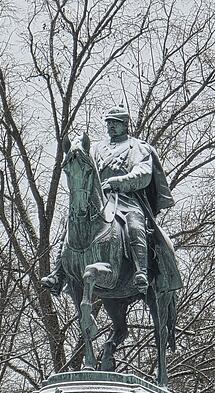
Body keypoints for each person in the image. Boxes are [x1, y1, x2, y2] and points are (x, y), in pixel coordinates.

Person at [42, 105, 182, 295]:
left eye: (116, 123)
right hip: (99, 202)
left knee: (135, 225)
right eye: (109, 122)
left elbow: (143, 174)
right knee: (70, 225)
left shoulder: (138, 147)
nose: (111, 126)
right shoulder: (95, 148)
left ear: (125, 124)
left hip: (127, 201)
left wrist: (118, 182)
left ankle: (141, 271)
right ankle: (58, 274)